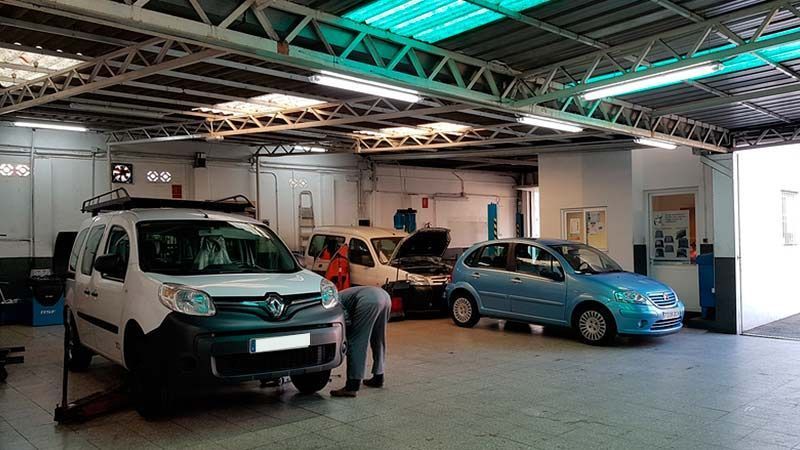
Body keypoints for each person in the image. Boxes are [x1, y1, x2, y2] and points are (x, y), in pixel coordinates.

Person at [330, 286, 391, 398]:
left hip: (368, 301)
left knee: (356, 341)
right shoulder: (342, 294)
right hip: (385, 297)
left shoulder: (332, 300)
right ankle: (378, 377)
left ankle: (352, 386)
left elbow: (346, 320)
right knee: (378, 339)